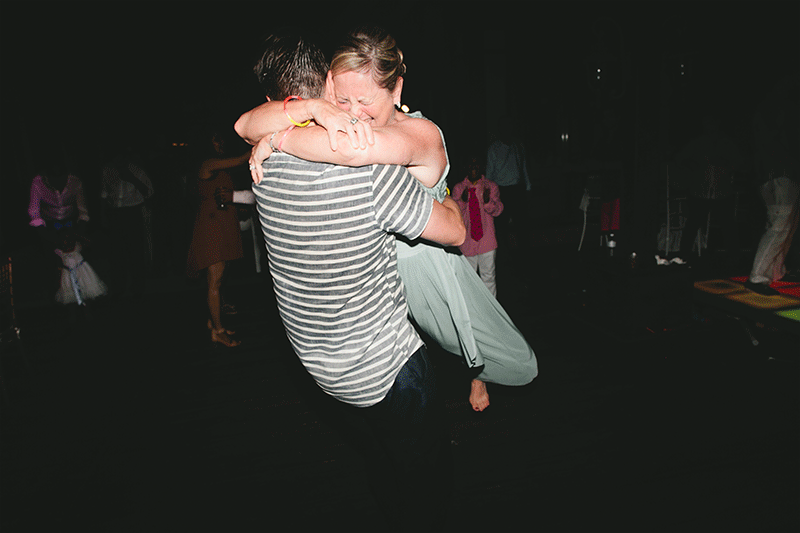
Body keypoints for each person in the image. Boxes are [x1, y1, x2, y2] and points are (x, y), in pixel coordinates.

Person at [236, 26, 538, 414]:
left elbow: (344, 150)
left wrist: (277, 138)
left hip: (424, 256)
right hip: (387, 260)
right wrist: (311, 109)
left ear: (396, 91)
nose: (351, 113)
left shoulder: (419, 133)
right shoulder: (345, 121)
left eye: (364, 100)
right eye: (341, 99)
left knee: (474, 337)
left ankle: (480, 374)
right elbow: (243, 125)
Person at [239, 32, 465, 529]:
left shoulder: (262, 165)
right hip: (389, 368)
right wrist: (446, 196)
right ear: (326, 87)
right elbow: (456, 232)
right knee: (428, 486)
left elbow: (249, 124)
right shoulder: (373, 173)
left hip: (319, 368)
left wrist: (274, 135)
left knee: (382, 463)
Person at [185, 129, 250, 348]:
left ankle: (213, 323)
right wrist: (261, 141)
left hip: (221, 224)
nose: (220, 143)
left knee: (218, 280)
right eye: (215, 140)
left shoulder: (218, 165)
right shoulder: (208, 163)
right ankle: (219, 332)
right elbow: (241, 160)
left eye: (221, 139)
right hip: (211, 227)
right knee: (215, 280)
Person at [746, 77, 800, 294]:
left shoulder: (770, 110)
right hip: (778, 174)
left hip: (776, 174)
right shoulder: (775, 110)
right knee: (780, 225)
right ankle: (758, 276)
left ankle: (775, 271)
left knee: (784, 225)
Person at [100, 144, 155, 298]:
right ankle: (118, 287)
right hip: (115, 214)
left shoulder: (136, 170)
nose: (117, 162)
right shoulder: (107, 170)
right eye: (115, 159)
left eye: (120, 158)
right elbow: (103, 194)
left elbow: (149, 192)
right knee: (116, 253)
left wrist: (131, 179)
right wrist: (103, 215)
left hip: (132, 213)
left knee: (136, 252)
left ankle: (138, 287)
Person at [452, 155, 504, 297]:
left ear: (482, 167)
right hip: (467, 242)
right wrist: (462, 201)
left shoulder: (490, 186)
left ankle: (490, 308)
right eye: (471, 164)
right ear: (466, 167)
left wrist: (487, 202)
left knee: (489, 278)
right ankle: (473, 308)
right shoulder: (459, 188)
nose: (473, 168)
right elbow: (454, 215)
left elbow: (499, 210)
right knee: (469, 280)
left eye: (476, 164)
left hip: (487, 241)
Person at [54, 229, 108, 307]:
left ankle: (88, 308)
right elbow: (59, 264)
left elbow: (89, 242)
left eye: (68, 238)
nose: (66, 241)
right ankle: (78, 308)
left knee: (87, 290)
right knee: (71, 293)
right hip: (68, 274)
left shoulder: (78, 246)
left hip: (83, 272)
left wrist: (79, 235)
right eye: (64, 239)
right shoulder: (60, 252)